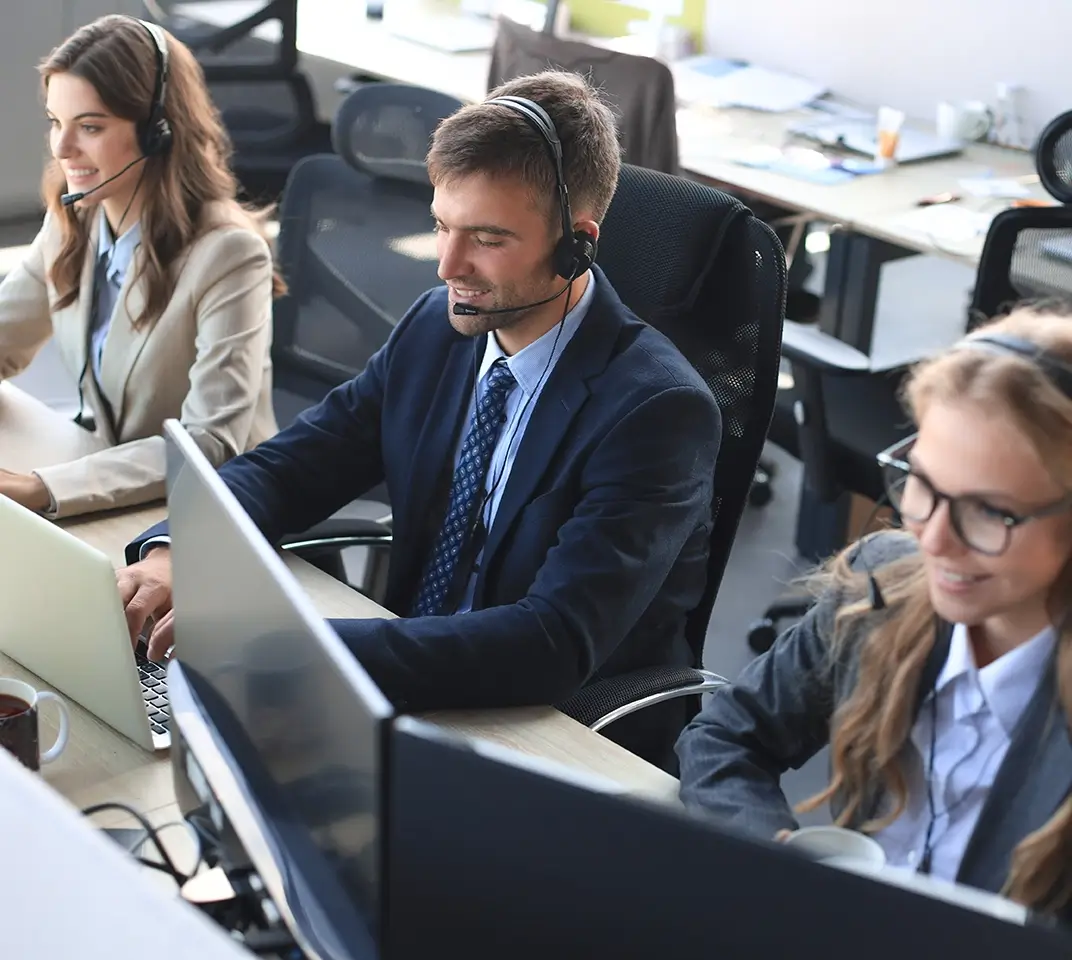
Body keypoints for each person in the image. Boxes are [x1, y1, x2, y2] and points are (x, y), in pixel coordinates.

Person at [117, 70, 721, 767]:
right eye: (441, 225)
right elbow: (297, 464)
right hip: (401, 692)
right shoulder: (440, 330)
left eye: (487, 239)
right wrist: (179, 548)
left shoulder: (655, 412)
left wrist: (291, 647)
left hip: (554, 739)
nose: (446, 266)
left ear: (576, 243)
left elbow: (551, 643)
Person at [676, 306, 1072, 919]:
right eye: (922, 484)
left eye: (991, 511)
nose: (934, 539)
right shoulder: (884, 583)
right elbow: (728, 735)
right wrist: (776, 863)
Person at [0, 14, 280, 518]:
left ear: (158, 133)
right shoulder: (75, 217)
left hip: (209, 515)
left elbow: (208, 443)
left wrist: (42, 487)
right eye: (55, 122)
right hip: (110, 486)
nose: (63, 149)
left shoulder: (228, 255)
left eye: (89, 127)